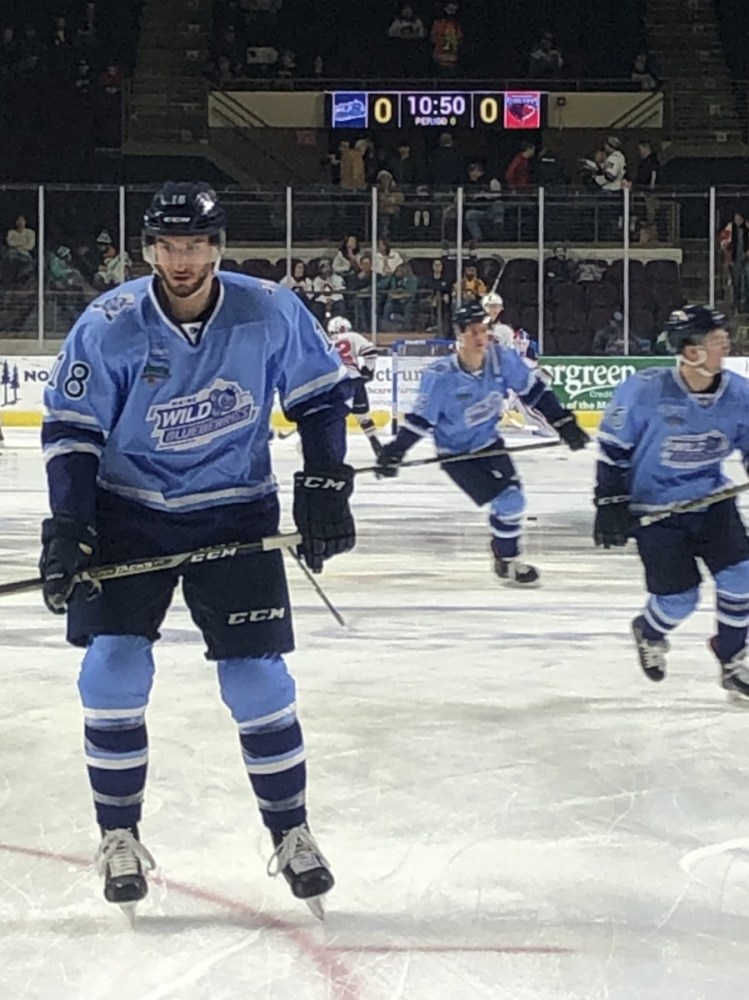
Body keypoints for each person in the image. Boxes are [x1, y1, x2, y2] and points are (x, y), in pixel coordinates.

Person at [38, 182, 356, 918]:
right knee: (112, 672)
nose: (181, 261)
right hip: (131, 511)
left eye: (195, 245)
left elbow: (317, 396)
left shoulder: (267, 308)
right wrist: (68, 527)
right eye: (167, 246)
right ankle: (118, 837)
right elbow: (73, 433)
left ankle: (292, 833)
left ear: (217, 247)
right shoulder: (108, 324)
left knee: (257, 682)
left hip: (234, 512)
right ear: (150, 247)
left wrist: (324, 484)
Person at [594, 305, 749, 702]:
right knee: (679, 600)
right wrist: (610, 503)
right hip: (656, 513)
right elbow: (613, 450)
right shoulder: (645, 390)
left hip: (712, 503)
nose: (725, 346)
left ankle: (731, 659)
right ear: (691, 351)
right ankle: (650, 630)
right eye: (715, 341)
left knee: (742, 577)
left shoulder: (739, 394)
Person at [375, 301, 589, 585]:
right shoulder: (440, 376)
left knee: (513, 501)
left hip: (489, 443)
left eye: (484, 330)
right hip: (456, 455)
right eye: (473, 331)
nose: (480, 338)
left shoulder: (502, 359)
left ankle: (507, 560)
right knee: (507, 501)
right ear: (459, 335)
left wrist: (564, 423)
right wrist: (395, 452)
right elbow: (420, 421)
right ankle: (506, 558)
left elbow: (533, 392)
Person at [327, 316, 382, 456]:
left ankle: (332, 449)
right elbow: (371, 352)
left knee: (332, 418)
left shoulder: (325, 341)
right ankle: (375, 441)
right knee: (362, 416)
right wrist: (368, 370)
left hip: (334, 382)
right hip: (353, 379)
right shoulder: (352, 336)